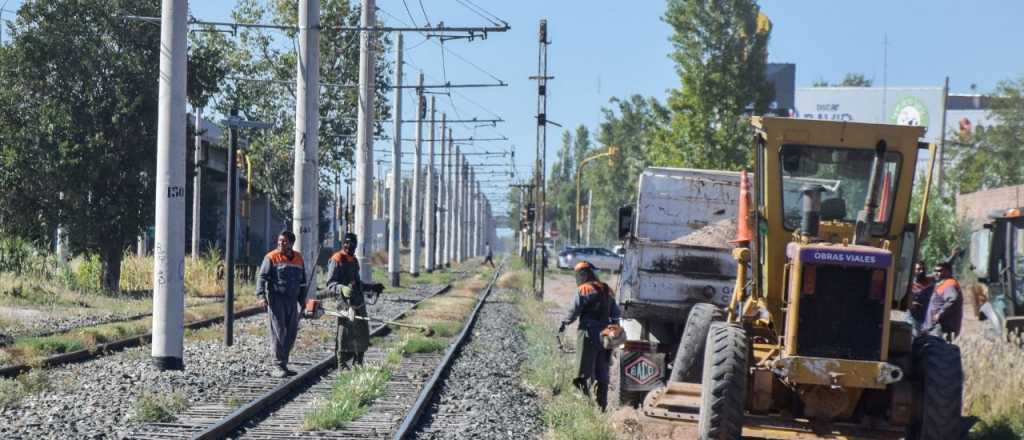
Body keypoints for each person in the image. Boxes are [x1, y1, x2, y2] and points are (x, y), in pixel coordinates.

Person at [560, 261, 621, 411]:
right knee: (602, 373)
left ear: (584, 274)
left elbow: (573, 313)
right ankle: (602, 407)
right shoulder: (608, 290)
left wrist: (564, 323)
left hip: (587, 334)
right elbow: (616, 315)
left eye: (579, 275)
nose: (578, 278)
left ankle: (584, 406)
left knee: (582, 372)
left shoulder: (583, 289)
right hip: (606, 336)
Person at [325, 233, 383, 369]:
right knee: (344, 333)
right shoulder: (337, 259)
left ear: (356, 245)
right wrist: (342, 288)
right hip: (344, 302)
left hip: (358, 301)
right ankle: (341, 364)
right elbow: (330, 284)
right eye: (346, 242)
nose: (348, 245)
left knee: (362, 332)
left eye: (351, 243)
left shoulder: (354, 260)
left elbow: (358, 283)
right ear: (342, 243)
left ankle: (358, 361)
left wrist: (372, 287)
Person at [256, 230, 307, 378]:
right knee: (279, 332)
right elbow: (262, 278)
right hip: (277, 299)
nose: (280, 243)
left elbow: (303, 282)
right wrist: (261, 296)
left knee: (291, 332)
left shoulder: (298, 258)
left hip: (292, 300)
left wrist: (302, 302)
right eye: (279, 241)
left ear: (291, 243)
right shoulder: (271, 257)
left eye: (283, 241)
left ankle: (283, 363)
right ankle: (277, 366)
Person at [923, 262, 964, 340]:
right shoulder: (942, 283)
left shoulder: (949, 284)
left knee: (937, 349)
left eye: (940, 271)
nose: (937, 273)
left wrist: (940, 313)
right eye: (935, 271)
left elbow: (952, 300)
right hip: (936, 327)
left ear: (948, 271)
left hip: (942, 327)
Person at [909, 261, 934, 326]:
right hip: (913, 318)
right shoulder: (909, 285)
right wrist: (911, 303)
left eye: (923, 269)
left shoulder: (930, 280)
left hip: (928, 319)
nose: (921, 271)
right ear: (913, 270)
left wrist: (953, 256)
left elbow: (942, 269)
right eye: (918, 269)